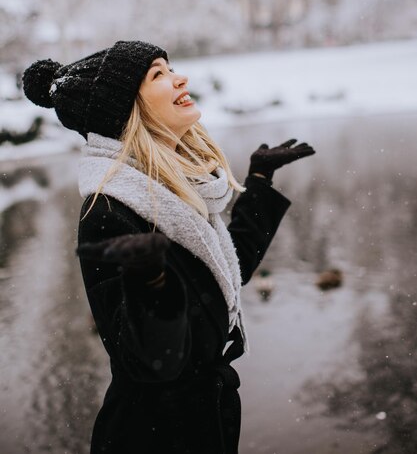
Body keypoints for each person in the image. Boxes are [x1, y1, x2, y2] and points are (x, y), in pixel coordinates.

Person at [22, 40, 315, 454]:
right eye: (158, 74)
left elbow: (223, 274)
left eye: (169, 67)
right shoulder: (110, 210)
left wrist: (260, 183)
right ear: (126, 109)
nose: (180, 77)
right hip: (155, 436)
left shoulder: (171, 187)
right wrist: (152, 284)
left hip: (204, 422)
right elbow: (149, 363)